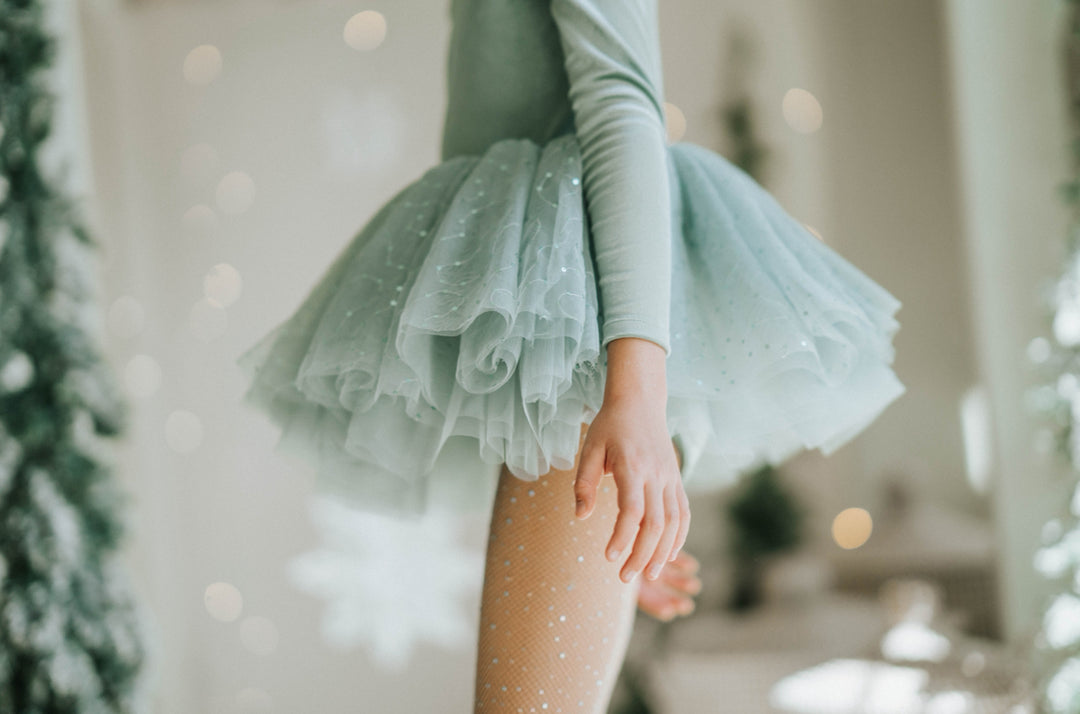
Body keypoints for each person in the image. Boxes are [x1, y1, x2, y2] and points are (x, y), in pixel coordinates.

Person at [236, 0, 906, 711]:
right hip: (566, 343)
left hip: (573, 347)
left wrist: (639, 403)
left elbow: (623, 103)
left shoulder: (568, 353)